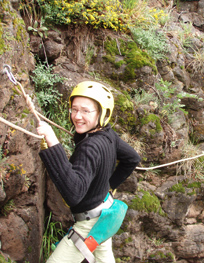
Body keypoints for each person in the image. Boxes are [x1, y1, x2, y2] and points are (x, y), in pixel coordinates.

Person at [37, 81, 141, 263]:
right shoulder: (108, 134)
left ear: (101, 114)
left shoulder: (89, 146)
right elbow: (132, 158)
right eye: (74, 109)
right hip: (106, 213)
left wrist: (52, 141)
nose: (77, 116)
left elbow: (74, 193)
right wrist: (109, 185)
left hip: (89, 223)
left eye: (86, 111)